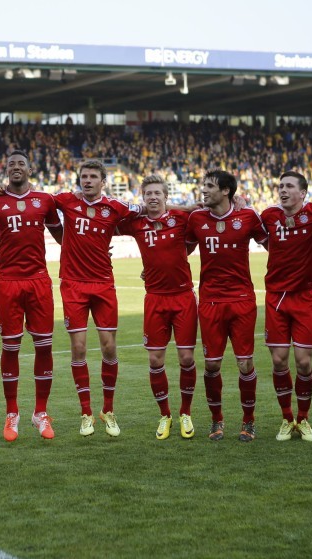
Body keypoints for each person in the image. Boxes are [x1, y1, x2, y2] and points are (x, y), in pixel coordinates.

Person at [0, 149, 63, 441]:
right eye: (11, 163)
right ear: (5, 168)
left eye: (20, 163)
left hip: (38, 281)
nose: (15, 167)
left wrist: (96, 249)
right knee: (10, 348)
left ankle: (40, 412)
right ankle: (12, 412)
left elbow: (65, 237)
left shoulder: (45, 201)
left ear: (29, 169)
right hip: (8, 283)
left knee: (44, 347)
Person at [53, 159, 142, 437]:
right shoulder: (66, 200)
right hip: (73, 285)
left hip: (103, 284)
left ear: (103, 181)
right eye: (84, 176)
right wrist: (3, 189)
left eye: (93, 176)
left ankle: (108, 410)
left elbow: (152, 209)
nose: (87, 180)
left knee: (108, 346)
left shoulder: (115, 207)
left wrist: (192, 208)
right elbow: (33, 199)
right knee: (78, 347)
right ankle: (86, 412)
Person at [185, 170, 268, 442]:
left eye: (209, 186)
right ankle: (216, 420)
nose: (204, 190)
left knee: (245, 363)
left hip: (242, 300)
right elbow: (181, 250)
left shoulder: (248, 216)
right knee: (211, 365)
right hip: (210, 301)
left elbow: (274, 244)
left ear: (225, 191)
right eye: (203, 186)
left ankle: (249, 421)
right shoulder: (196, 218)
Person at [117, 175, 198, 440]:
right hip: (155, 299)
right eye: (148, 193)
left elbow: (202, 212)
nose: (153, 197)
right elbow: (108, 220)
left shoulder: (180, 218)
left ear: (165, 196)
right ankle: (165, 415)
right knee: (155, 360)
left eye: (157, 193)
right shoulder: (137, 223)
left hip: (183, 297)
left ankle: (186, 412)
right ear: (143, 197)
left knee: (186, 358)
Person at [259, 171, 312, 442]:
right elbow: (254, 233)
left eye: (289, 186)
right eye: (280, 186)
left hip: (304, 297)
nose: (283, 190)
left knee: (303, 363)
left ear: (302, 193)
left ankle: (303, 419)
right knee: (279, 360)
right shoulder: (269, 216)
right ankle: (286, 418)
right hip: (276, 298)